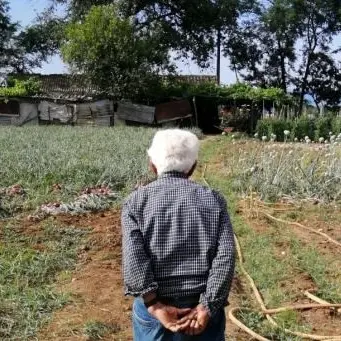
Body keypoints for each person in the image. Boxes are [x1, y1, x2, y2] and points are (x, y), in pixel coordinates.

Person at [121, 129, 235, 341]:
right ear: (192, 167)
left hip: (155, 311)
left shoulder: (135, 203)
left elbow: (134, 259)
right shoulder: (214, 201)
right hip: (201, 310)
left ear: (152, 165)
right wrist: (207, 307)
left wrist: (154, 305)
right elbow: (225, 257)